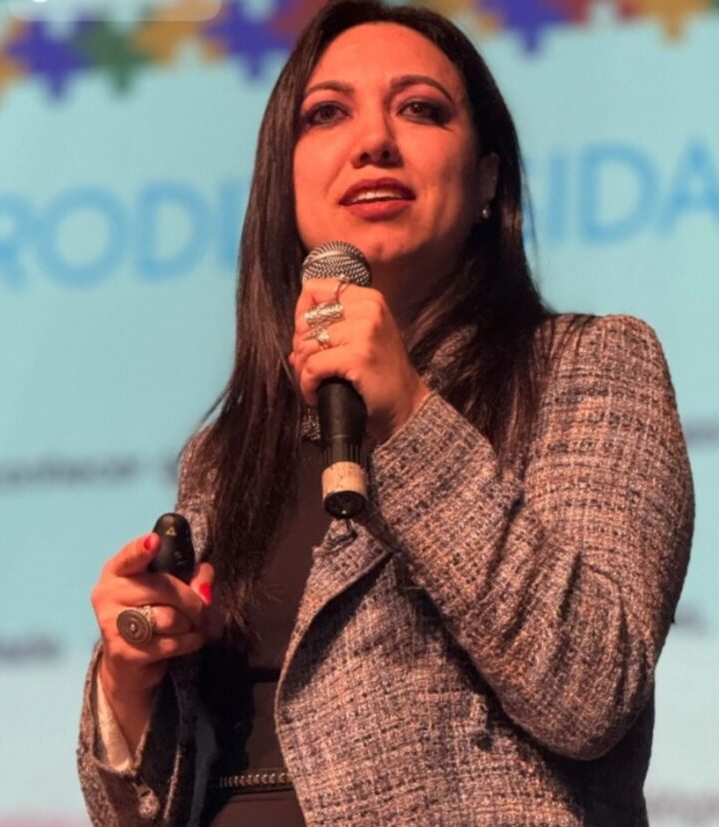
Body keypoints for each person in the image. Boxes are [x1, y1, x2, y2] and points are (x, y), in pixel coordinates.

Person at [77, 1, 694, 824]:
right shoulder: (224, 453)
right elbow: (137, 807)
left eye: (421, 109)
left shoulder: (588, 367)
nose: (373, 140)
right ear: (287, 181)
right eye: (327, 114)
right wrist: (129, 674)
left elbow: (590, 690)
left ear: (487, 181)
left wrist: (405, 412)